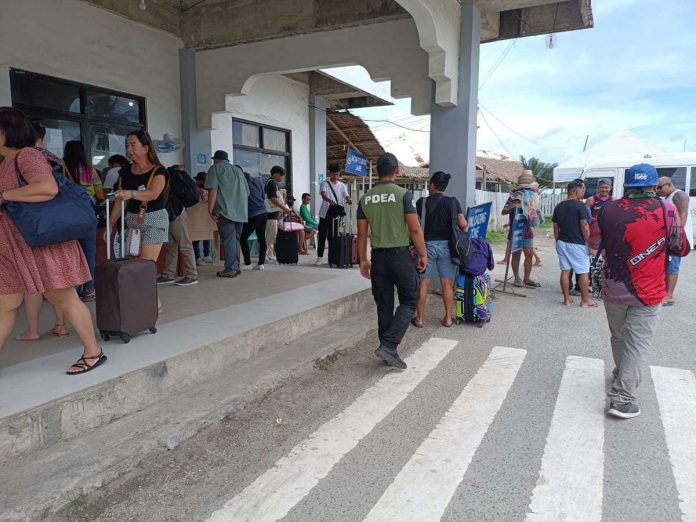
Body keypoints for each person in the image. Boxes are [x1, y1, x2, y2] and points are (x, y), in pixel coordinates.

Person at [0, 107, 106, 374]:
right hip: (15, 247)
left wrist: (5, 196)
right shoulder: (5, 162)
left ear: (7, 131)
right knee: (6, 304)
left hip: (42, 242)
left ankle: (93, 352)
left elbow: (47, 188)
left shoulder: (27, 156)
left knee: (64, 299)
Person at [599, 164, 689, 419]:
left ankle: (621, 373)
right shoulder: (666, 209)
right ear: (653, 186)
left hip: (613, 287)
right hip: (647, 291)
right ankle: (622, 398)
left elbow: (594, 242)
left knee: (618, 336)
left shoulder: (608, 208)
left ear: (626, 185)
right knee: (637, 343)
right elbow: (680, 249)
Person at [357, 153, 426, 370]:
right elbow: (414, 229)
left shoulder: (365, 198)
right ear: (397, 171)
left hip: (378, 257)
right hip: (400, 256)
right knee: (410, 299)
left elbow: (361, 235)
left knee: (384, 305)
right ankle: (389, 345)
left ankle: (388, 348)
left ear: (377, 171)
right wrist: (423, 254)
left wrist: (363, 260)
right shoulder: (404, 195)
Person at [109, 130, 169, 311]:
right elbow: (120, 199)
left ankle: (152, 305)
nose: (129, 149)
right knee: (134, 265)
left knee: (145, 266)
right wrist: (111, 224)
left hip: (154, 221)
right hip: (132, 223)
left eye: (133, 145)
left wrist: (131, 193)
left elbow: (153, 194)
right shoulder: (125, 171)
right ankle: (144, 303)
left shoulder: (159, 171)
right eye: (127, 145)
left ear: (145, 147)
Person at [413, 171, 467, 328]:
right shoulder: (452, 202)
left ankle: (420, 319)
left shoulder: (421, 202)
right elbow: (463, 224)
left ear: (431, 184)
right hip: (447, 247)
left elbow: (415, 226)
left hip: (426, 246)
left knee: (424, 283)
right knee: (446, 284)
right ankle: (448, 319)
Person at [63, 140, 105, 302]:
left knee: (69, 252)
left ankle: (70, 288)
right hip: (87, 215)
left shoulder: (60, 170)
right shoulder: (91, 172)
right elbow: (100, 196)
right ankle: (88, 289)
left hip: (66, 217)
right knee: (88, 252)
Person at [552, 178, 596, 307]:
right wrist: (590, 244)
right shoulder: (580, 206)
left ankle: (566, 300)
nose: (583, 192)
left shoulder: (559, 206)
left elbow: (555, 226)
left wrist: (557, 241)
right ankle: (585, 300)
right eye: (583, 189)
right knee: (583, 271)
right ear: (576, 190)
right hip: (577, 243)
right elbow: (584, 225)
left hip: (562, 242)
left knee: (565, 270)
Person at [205, 150, 249, 278]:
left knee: (228, 240)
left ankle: (230, 268)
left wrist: (210, 209)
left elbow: (213, 189)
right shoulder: (238, 171)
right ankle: (236, 267)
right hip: (241, 212)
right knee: (235, 239)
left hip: (225, 211)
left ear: (216, 159)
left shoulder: (215, 169)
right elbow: (247, 193)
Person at [158, 165, 198, 286]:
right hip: (171, 213)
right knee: (171, 245)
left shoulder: (167, 177)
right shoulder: (169, 177)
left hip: (175, 213)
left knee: (184, 244)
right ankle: (168, 274)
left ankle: (192, 275)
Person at [502, 171, 543, 288]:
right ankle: (516, 278)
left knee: (529, 254)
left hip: (527, 231)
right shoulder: (513, 196)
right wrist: (514, 205)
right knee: (516, 255)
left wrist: (531, 207)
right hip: (515, 230)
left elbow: (535, 215)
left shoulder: (533, 198)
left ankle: (527, 278)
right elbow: (504, 211)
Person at [656, 176, 692, 305]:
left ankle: (669, 295)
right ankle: (664, 291)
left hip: (676, 239)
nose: (658, 190)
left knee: (672, 266)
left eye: (660, 187)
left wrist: (677, 236)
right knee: (666, 264)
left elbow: (683, 215)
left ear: (669, 184)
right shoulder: (668, 197)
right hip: (670, 238)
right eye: (656, 188)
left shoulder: (679, 195)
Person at [315, 163, 352, 265]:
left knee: (333, 237)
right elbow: (323, 194)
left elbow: (346, 196)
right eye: (333, 174)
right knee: (322, 236)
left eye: (337, 174)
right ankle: (319, 257)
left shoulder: (342, 185)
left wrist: (349, 199)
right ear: (329, 173)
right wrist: (329, 200)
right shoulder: (325, 183)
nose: (335, 176)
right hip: (325, 214)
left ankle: (332, 257)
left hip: (335, 215)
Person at [264, 165, 292, 262]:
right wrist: (284, 208)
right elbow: (272, 198)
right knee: (270, 235)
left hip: (273, 214)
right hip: (270, 214)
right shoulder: (271, 183)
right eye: (281, 175)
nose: (282, 177)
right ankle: (265, 254)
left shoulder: (272, 183)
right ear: (275, 174)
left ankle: (270, 253)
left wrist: (282, 192)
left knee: (272, 234)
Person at [240, 171, 268, 270]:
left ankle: (247, 263)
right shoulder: (257, 181)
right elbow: (263, 196)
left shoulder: (242, 182)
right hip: (263, 212)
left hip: (253, 214)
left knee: (243, 238)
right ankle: (261, 264)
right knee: (261, 238)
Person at [192, 171, 212, 265]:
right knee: (196, 237)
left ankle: (206, 255)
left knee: (206, 235)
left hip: (204, 217)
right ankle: (197, 257)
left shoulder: (208, 189)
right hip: (195, 217)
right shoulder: (194, 188)